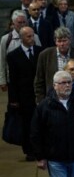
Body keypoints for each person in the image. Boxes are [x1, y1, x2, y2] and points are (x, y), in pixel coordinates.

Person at [4, 26, 42, 159]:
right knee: (27, 123)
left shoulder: (40, 52)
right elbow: (12, 80)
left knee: (40, 122)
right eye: (28, 36)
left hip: (39, 93)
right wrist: (13, 100)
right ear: (21, 38)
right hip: (23, 95)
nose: (32, 39)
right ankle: (29, 150)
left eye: (33, 36)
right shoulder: (13, 55)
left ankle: (41, 148)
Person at [33, 26, 74, 102]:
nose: (62, 44)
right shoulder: (45, 55)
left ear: (70, 40)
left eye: (64, 41)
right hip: (52, 98)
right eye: (59, 41)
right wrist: (40, 100)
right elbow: (39, 81)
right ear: (55, 41)